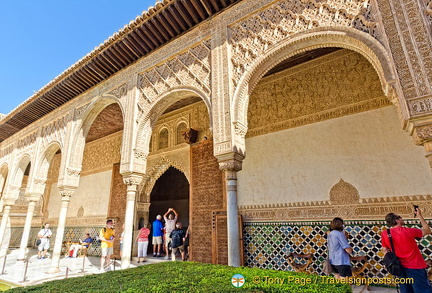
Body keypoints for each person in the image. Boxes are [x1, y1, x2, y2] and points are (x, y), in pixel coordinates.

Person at [381, 208, 432, 293]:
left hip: (399, 268)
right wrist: (420, 215)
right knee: (423, 290)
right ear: (397, 220)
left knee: (406, 290)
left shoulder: (385, 233)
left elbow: (384, 250)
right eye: (400, 217)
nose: (402, 218)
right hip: (415, 267)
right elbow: (428, 231)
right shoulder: (408, 231)